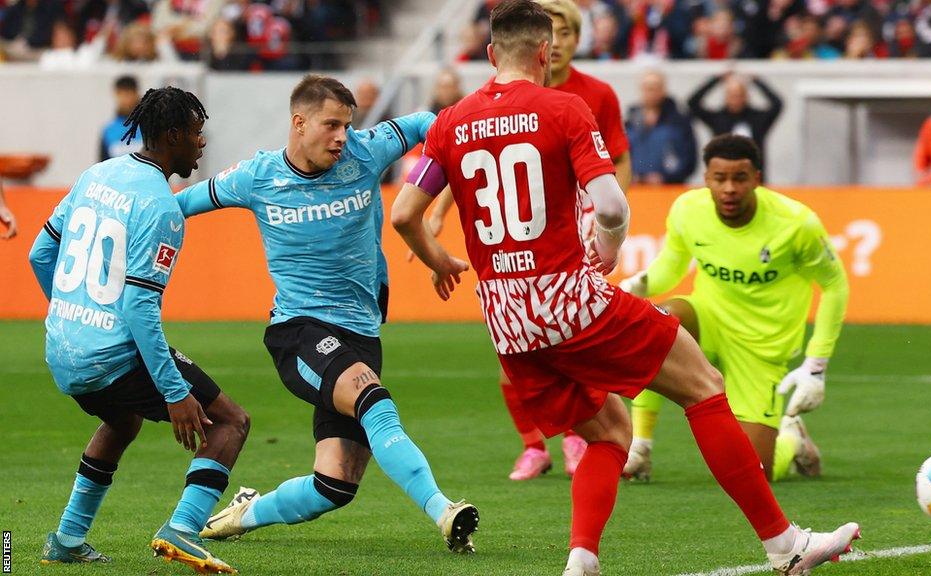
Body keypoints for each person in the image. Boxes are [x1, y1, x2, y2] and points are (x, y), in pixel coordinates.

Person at [391, 2, 860, 575]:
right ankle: (786, 546)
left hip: (507, 321)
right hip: (567, 298)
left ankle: (581, 561)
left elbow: (404, 214)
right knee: (703, 385)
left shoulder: (449, 122)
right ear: (544, 52)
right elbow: (610, 203)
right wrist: (608, 251)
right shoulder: (564, 107)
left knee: (610, 431)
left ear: (490, 54)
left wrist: (439, 261)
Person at [173, 75, 479, 554]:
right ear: (299, 123)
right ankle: (444, 510)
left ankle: (240, 515)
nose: (342, 136)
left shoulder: (365, 150)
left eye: (348, 125)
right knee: (372, 397)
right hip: (298, 331)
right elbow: (182, 204)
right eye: (332, 125)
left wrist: (449, 175)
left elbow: (429, 123)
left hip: (361, 331)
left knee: (335, 484)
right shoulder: (257, 177)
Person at [27, 87, 249, 574]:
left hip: (62, 351)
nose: (202, 144)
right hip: (110, 355)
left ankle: (67, 538)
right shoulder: (161, 207)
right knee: (230, 422)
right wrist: (175, 392)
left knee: (122, 420)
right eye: (195, 134)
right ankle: (184, 528)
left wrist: (72, 314)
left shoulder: (96, 175)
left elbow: (39, 253)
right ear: (173, 137)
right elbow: (140, 306)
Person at [420, 0, 633, 482]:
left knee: (567, 346)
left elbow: (616, 162)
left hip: (573, 226)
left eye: (565, 33)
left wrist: (611, 223)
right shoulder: (491, 105)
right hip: (516, 239)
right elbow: (475, 163)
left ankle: (587, 437)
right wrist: (439, 212)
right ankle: (536, 446)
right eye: (550, 32)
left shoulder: (591, 95)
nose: (555, 44)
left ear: (573, 42)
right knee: (520, 354)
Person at [618, 134, 849, 483]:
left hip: (761, 346)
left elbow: (835, 285)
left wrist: (816, 366)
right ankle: (640, 448)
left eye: (739, 178)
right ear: (706, 179)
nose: (729, 188)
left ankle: (792, 438)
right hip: (709, 318)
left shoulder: (796, 224)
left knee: (755, 472)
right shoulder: (687, 210)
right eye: (719, 178)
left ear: (757, 178)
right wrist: (641, 284)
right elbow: (672, 267)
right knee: (658, 324)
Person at [686, 72, 783, 177]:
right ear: (726, 97)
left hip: (754, 177)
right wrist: (716, 79)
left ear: (746, 96)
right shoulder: (717, 119)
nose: (736, 100)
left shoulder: (757, 119)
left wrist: (757, 81)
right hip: (723, 178)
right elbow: (693, 103)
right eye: (732, 95)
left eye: (739, 95)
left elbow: (777, 104)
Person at [625, 69, 697, 185]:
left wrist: (666, 177)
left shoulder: (678, 121)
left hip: (669, 188)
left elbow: (689, 158)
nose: (651, 92)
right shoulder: (631, 122)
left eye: (655, 87)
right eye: (647, 88)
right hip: (636, 188)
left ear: (663, 90)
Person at [100, 76, 143, 161]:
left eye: (128, 93)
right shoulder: (108, 131)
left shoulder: (149, 127)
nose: (125, 99)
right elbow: (102, 167)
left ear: (136, 94)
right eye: (121, 94)